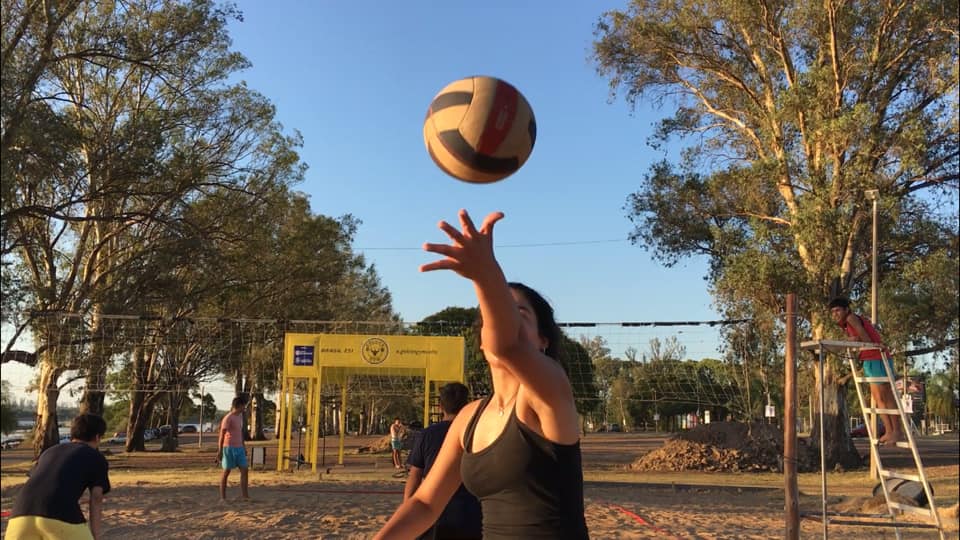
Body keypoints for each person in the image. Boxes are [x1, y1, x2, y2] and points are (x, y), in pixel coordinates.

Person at [375, 209, 589, 539]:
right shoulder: (469, 417)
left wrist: (484, 272)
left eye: (520, 314)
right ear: (480, 339)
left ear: (543, 341)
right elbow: (425, 504)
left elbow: (506, 345)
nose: (508, 323)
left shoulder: (549, 393)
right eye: (498, 316)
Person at [5, 414, 111, 540]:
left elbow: (40, 482)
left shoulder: (49, 452)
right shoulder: (96, 457)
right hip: (59, 516)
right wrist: (96, 535)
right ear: (97, 437)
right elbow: (97, 497)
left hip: (20, 515)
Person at [404, 383, 482, 540]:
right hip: (470, 511)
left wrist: (407, 509)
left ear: (440, 406)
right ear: (466, 405)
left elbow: (415, 475)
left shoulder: (427, 434)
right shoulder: (478, 433)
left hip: (435, 510)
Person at [828, 297, 904, 445]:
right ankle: (889, 431)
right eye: (832, 312)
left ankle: (896, 431)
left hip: (877, 357)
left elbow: (866, 339)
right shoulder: (845, 324)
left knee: (885, 397)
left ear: (846, 310)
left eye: (838, 310)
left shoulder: (851, 318)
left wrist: (852, 340)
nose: (835, 314)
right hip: (869, 359)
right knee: (879, 399)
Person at [218, 396, 250, 501]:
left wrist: (244, 446)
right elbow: (221, 435)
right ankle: (223, 497)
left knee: (244, 470)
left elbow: (240, 433)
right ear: (239, 405)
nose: (244, 408)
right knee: (226, 471)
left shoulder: (240, 417)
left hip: (239, 448)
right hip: (229, 448)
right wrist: (220, 451)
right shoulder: (228, 418)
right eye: (243, 406)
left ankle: (245, 496)